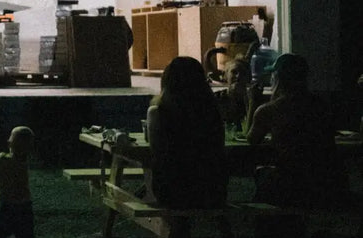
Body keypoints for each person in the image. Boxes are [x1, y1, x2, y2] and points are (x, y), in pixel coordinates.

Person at [246, 53, 346, 209]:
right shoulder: (321, 106)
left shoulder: (270, 110)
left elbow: (251, 140)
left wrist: (253, 101)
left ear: (278, 78)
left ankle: (267, 227)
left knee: (259, 175)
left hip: (291, 185)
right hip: (327, 181)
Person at [145, 56, 228, 210]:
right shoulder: (211, 111)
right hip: (213, 190)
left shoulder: (159, 112)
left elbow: (157, 152)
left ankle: (175, 228)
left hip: (174, 192)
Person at [213, 57, 253, 132]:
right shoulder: (216, 99)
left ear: (249, 78)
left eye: (243, 73)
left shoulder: (252, 100)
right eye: (234, 72)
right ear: (225, 76)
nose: (238, 76)